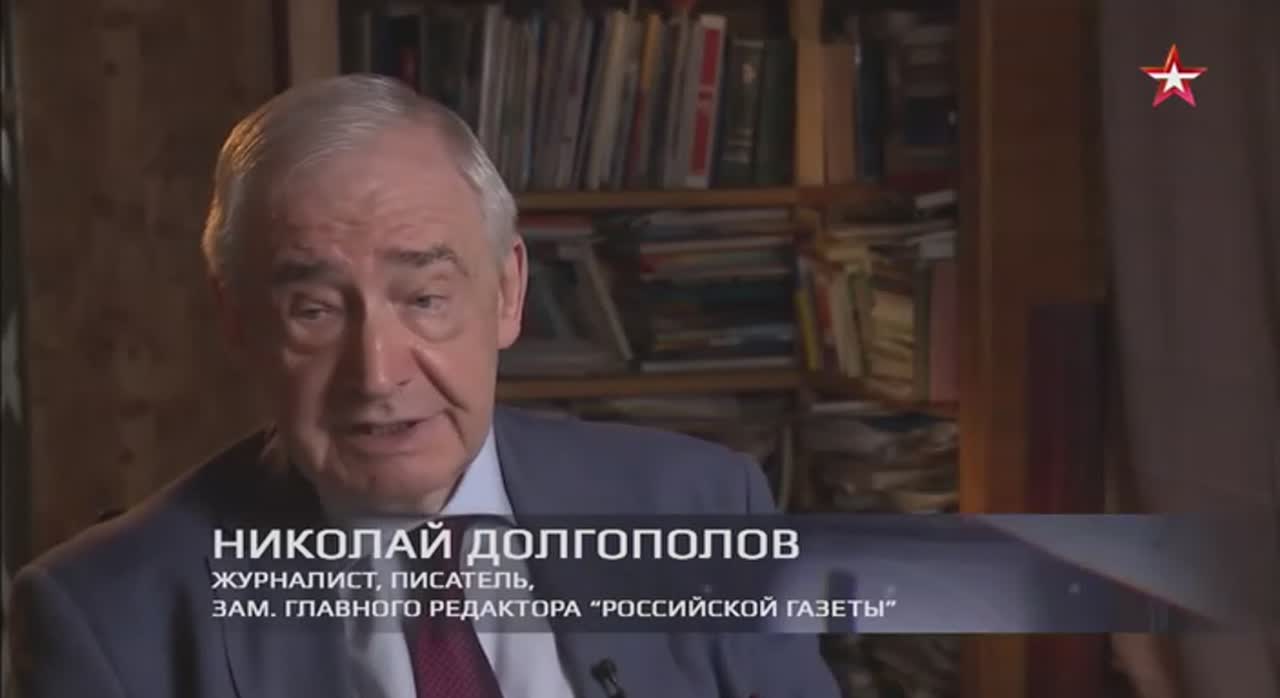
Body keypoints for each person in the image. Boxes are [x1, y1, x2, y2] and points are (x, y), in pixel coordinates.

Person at [7, 75, 839, 698]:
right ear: (237, 321)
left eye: (426, 299)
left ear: (507, 293)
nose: (378, 374)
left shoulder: (703, 509)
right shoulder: (105, 616)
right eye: (314, 310)